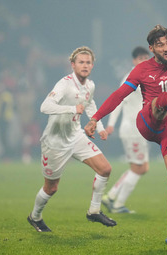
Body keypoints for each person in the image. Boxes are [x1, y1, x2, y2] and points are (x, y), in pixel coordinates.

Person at [85, 25, 167, 245]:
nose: (166, 48)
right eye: (160, 45)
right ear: (151, 48)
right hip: (148, 120)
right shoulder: (142, 69)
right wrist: (95, 118)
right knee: (159, 101)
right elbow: (119, 95)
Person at [27, 46, 116, 232]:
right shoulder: (64, 84)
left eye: (88, 62)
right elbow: (45, 106)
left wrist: (99, 127)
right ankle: (34, 217)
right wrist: (71, 109)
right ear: (73, 65)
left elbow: (89, 104)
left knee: (105, 169)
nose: (85, 65)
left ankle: (94, 211)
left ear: (92, 65)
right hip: (55, 141)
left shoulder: (90, 85)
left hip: (76, 136)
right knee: (51, 188)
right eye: (81, 62)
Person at [102, 47, 150, 213]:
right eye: (140, 58)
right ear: (134, 60)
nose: (143, 60)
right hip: (133, 129)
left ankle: (112, 197)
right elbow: (118, 100)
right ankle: (116, 203)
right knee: (138, 168)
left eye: (146, 57)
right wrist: (111, 124)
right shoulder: (132, 78)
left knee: (142, 167)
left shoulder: (147, 76)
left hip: (140, 129)